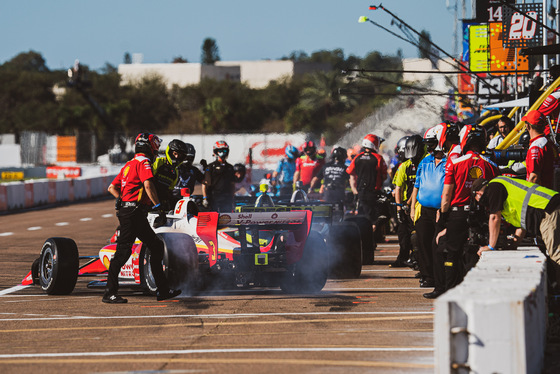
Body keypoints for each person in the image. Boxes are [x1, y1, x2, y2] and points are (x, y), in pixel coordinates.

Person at [105, 133, 181, 304]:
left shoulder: (129, 164)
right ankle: (109, 292)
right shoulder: (144, 162)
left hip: (133, 213)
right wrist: (158, 206)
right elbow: (148, 184)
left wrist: (121, 200)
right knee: (123, 253)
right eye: (156, 146)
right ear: (150, 147)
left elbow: (112, 187)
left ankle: (162, 290)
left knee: (156, 245)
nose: (157, 150)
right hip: (133, 214)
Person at [429, 125, 499, 299]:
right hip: (482, 214)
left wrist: (443, 217)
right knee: (475, 251)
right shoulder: (491, 164)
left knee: (450, 252)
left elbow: (446, 194)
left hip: (457, 214)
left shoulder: (455, 162)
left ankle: (448, 291)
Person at [474, 176, 560, 289]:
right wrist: (515, 242)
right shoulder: (503, 188)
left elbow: (495, 217)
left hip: (547, 210)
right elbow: (522, 224)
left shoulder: (493, 188)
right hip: (551, 205)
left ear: (479, 193)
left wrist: (490, 246)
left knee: (556, 256)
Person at [410, 125, 447, 289]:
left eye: (432, 143)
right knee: (422, 242)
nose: (429, 146)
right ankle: (427, 276)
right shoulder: (424, 161)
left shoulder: (449, 161)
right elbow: (416, 186)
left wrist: (444, 209)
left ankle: (440, 276)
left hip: (441, 211)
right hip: (424, 210)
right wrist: (412, 207)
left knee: (436, 245)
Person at [391, 135, 424, 268]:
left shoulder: (425, 163)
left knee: (418, 236)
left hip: (419, 204)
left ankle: (417, 259)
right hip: (406, 206)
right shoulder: (404, 166)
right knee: (403, 235)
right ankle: (404, 258)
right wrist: (399, 209)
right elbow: (398, 189)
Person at [347, 134, 388, 234]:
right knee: (377, 217)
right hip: (373, 193)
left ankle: (363, 238)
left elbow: (351, 176)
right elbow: (384, 176)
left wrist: (354, 190)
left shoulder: (357, 158)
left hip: (360, 192)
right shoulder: (378, 158)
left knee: (362, 217)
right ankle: (372, 237)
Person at [522, 110, 559, 189]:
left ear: (528, 126)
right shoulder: (549, 142)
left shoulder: (536, 146)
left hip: (542, 195)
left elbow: (534, 177)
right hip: (552, 192)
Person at [202, 140, 243, 212]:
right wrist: (205, 198)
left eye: (224, 151)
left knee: (226, 218)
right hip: (213, 198)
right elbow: (204, 184)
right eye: (220, 151)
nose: (222, 153)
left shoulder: (230, 167)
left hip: (226, 198)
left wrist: (232, 198)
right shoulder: (210, 167)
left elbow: (232, 184)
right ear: (215, 152)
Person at [153, 139, 189, 209]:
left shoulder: (175, 171)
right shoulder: (158, 162)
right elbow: (147, 183)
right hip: (151, 200)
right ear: (170, 152)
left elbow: (170, 191)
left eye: (179, 155)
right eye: (175, 154)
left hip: (162, 203)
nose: (176, 157)